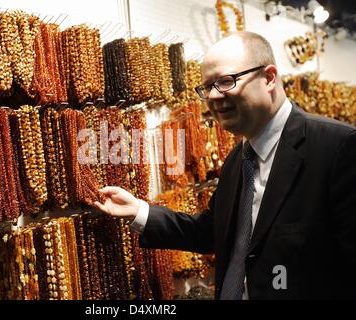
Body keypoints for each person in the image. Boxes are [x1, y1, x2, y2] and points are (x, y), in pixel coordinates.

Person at [94, 31, 356, 299]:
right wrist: (138, 210)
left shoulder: (337, 147)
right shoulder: (238, 159)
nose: (214, 97)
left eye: (226, 82)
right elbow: (212, 231)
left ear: (268, 78)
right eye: (207, 87)